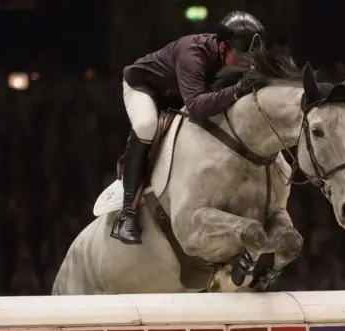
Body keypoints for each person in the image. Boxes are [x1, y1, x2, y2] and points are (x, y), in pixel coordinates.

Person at [111, 11, 269, 245]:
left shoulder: (232, 56)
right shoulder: (191, 54)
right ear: (224, 47)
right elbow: (196, 106)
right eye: (242, 56)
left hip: (177, 94)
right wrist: (236, 90)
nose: (247, 63)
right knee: (146, 125)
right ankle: (127, 215)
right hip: (146, 89)